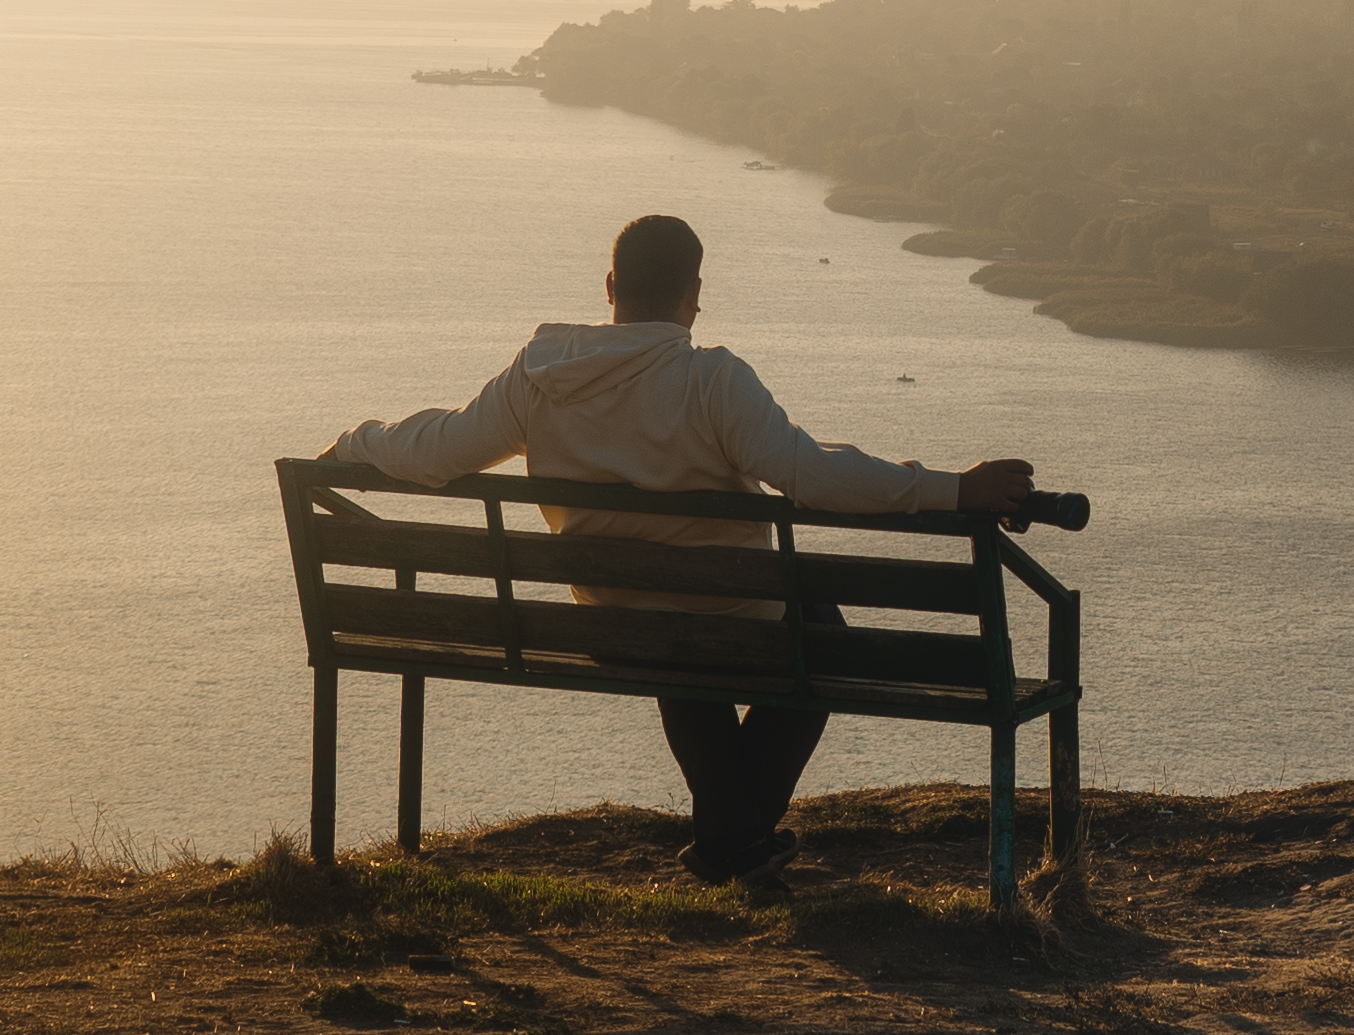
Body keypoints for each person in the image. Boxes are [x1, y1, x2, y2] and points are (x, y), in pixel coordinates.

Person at [322, 212, 1034, 880]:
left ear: (609, 288)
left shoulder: (539, 377)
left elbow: (440, 448)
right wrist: (952, 489)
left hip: (611, 618)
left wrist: (358, 442)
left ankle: (735, 836)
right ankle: (733, 837)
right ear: (694, 295)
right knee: (815, 635)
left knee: (679, 635)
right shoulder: (711, 380)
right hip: (730, 618)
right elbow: (811, 475)